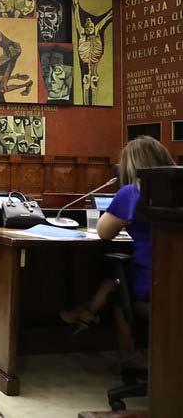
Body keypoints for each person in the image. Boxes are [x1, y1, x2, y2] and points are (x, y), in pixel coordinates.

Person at [60, 136, 174, 368]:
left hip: (153, 285)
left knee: (118, 288)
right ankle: (85, 313)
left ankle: (128, 358)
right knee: (113, 283)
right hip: (174, 280)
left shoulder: (132, 192)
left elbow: (104, 232)